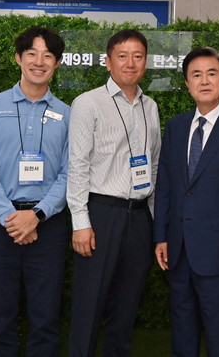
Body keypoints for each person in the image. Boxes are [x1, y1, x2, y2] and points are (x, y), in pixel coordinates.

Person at [153, 46, 219, 357]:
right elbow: (165, 186)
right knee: (182, 330)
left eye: (211, 73)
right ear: (187, 83)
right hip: (178, 248)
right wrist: (161, 236)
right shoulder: (175, 126)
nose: (204, 81)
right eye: (196, 75)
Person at [0, 26, 69, 356]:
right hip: (0, 224)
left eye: (48, 56)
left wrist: (37, 215)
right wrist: (11, 218)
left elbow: (70, 173)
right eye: (32, 54)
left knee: (46, 316)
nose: (39, 62)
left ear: (57, 63)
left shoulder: (68, 115)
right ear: (18, 58)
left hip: (49, 225)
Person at [67, 29, 161, 357]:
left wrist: (153, 220)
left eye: (137, 56)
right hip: (101, 214)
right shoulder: (88, 103)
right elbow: (77, 165)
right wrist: (80, 221)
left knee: (127, 305)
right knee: (89, 302)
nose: (130, 63)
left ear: (145, 63)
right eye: (122, 56)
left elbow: (154, 164)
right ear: (108, 62)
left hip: (139, 217)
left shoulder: (150, 106)